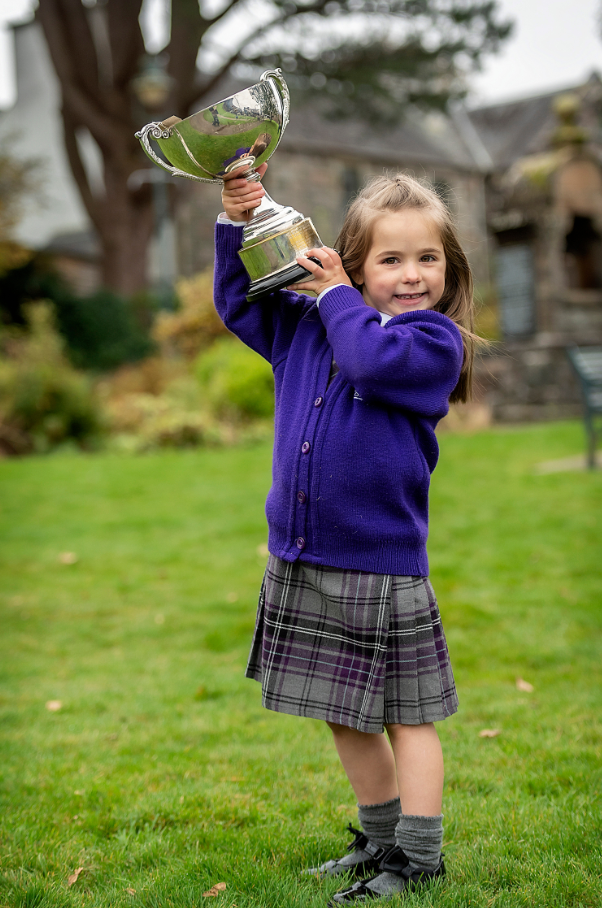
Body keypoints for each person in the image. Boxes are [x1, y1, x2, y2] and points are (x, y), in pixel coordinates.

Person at [213, 165, 477, 904]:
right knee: (341, 710)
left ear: (449, 269)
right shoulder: (305, 328)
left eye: (428, 258)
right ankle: (380, 838)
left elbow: (366, 359)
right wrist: (239, 221)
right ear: (355, 264)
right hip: (306, 552)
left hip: (379, 561)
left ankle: (419, 858)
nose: (412, 274)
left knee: (406, 717)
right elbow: (237, 303)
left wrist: (334, 296)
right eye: (391, 259)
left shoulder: (432, 343)